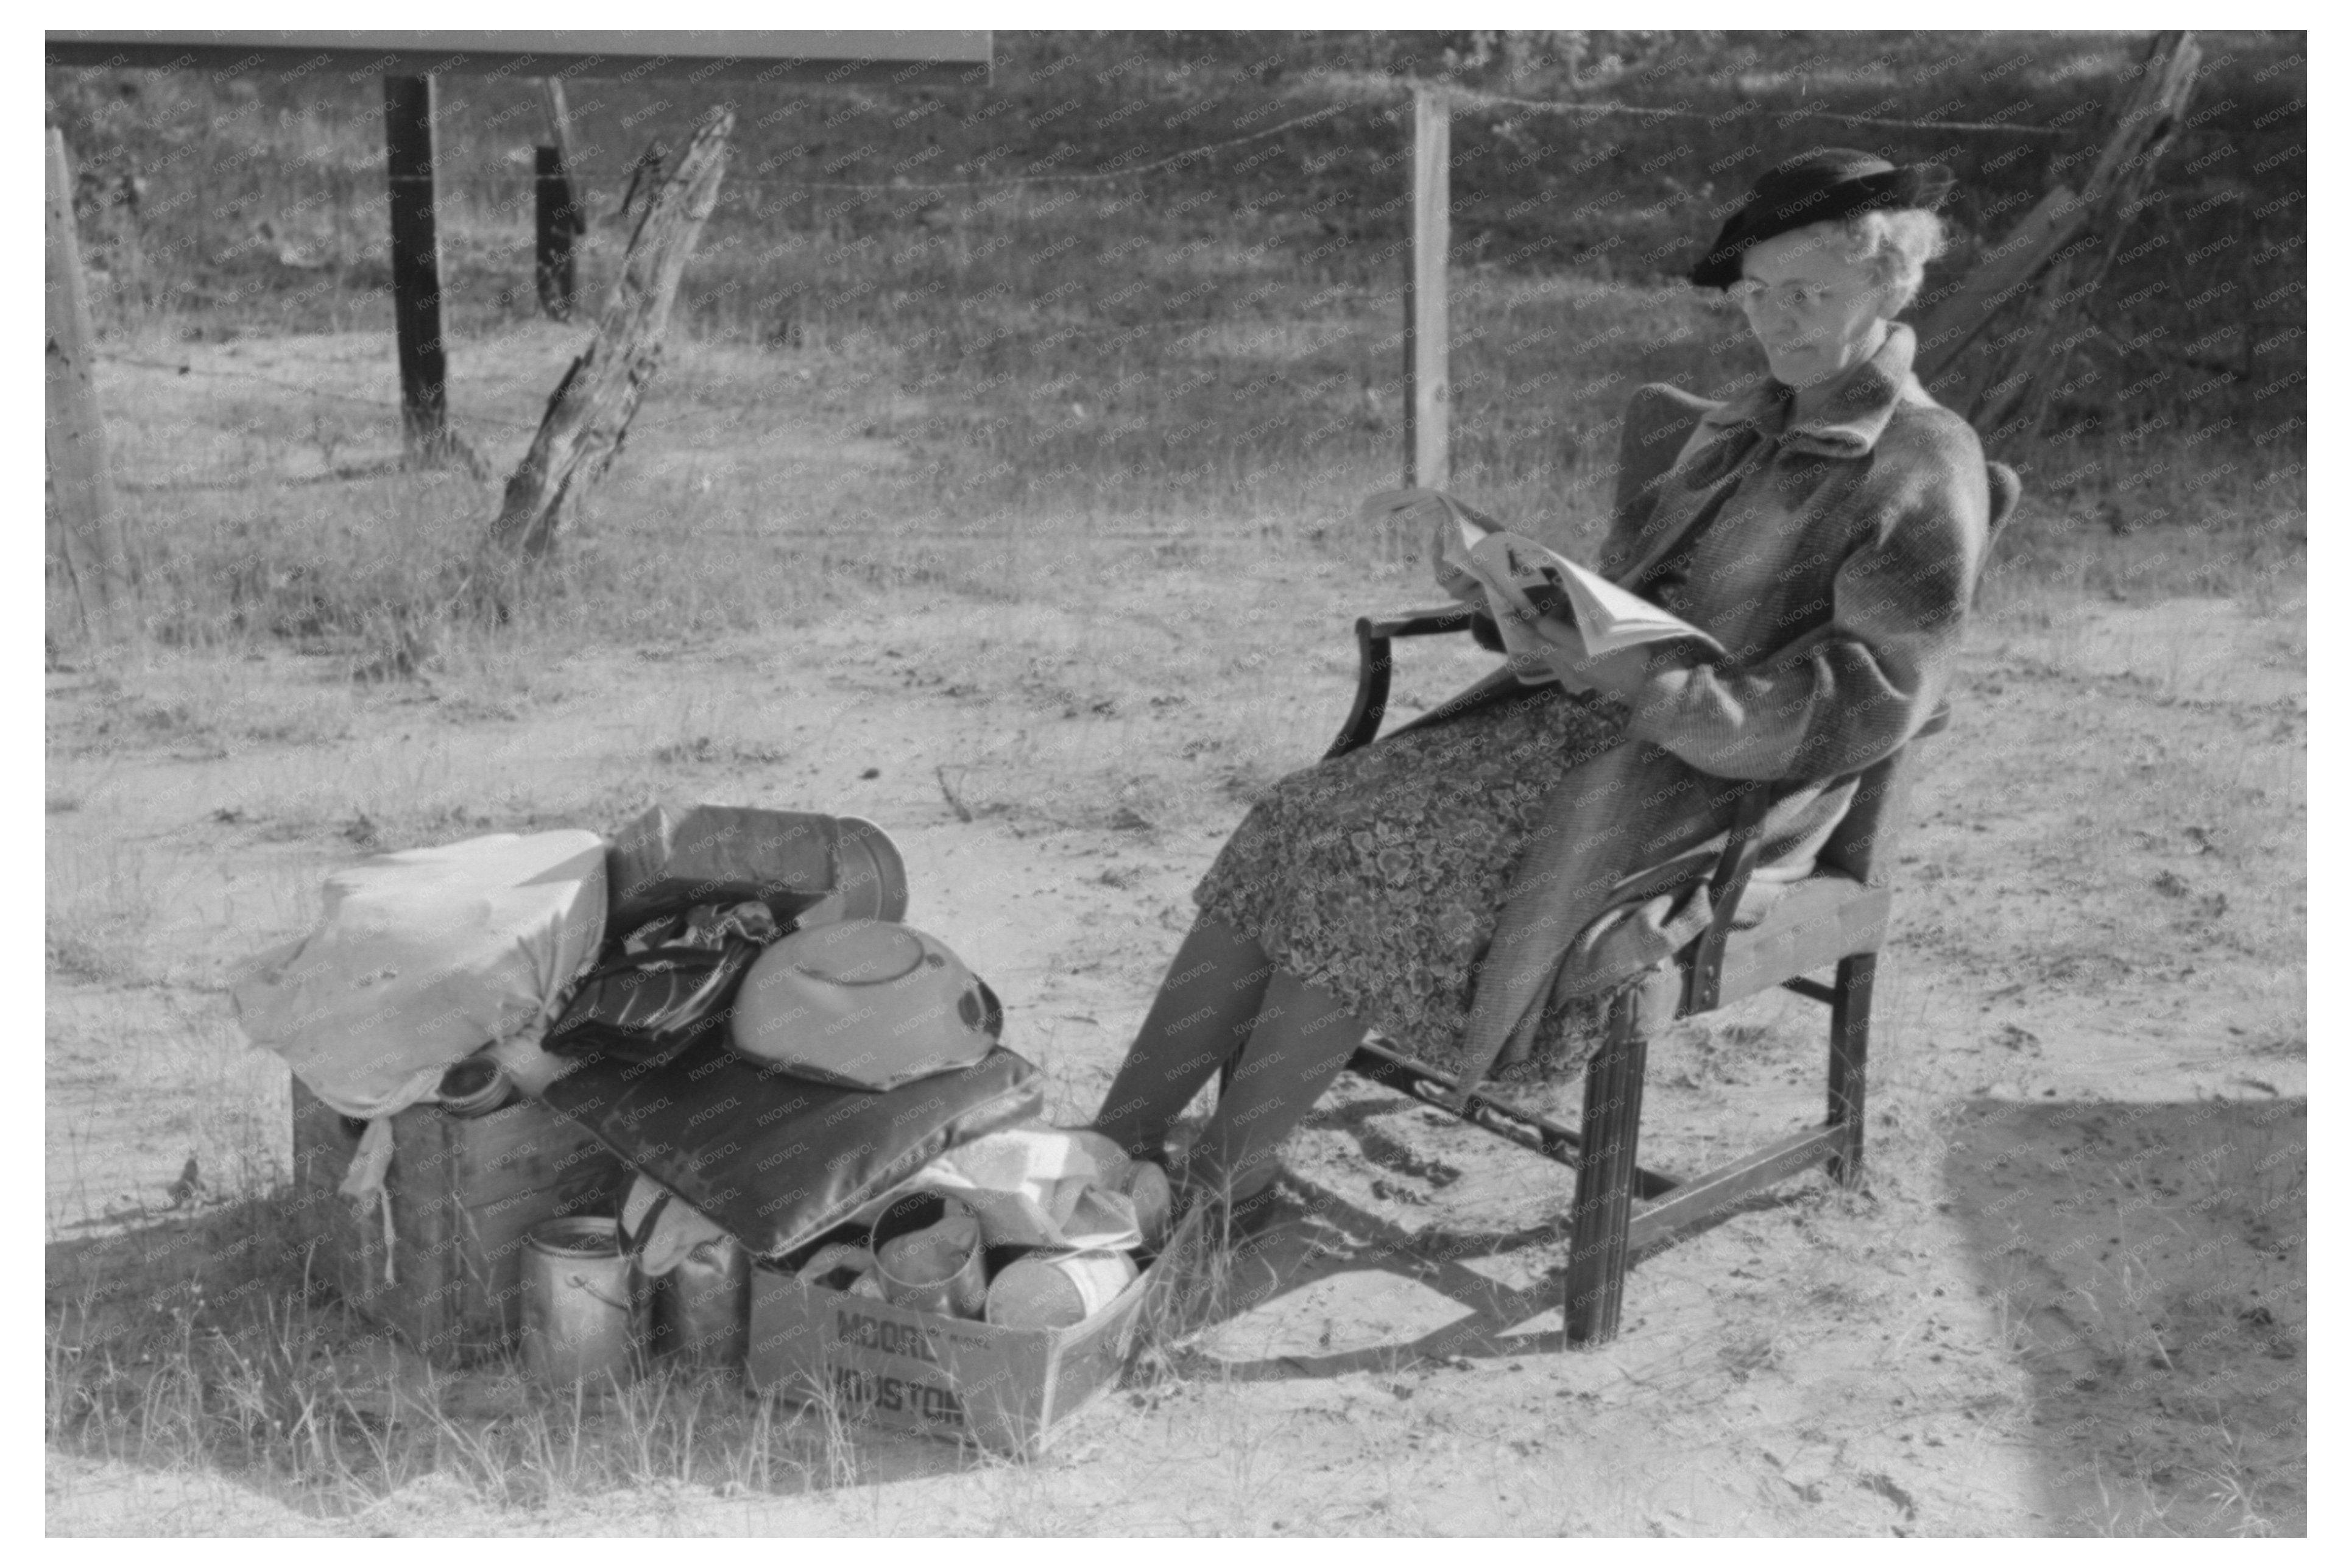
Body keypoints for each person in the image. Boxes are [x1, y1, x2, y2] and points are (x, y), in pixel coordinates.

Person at [1092, 148, 1997, 1232]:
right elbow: (1624, 600)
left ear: (1892, 287)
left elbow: (1864, 701)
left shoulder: (1920, 461)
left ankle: (1223, 1182)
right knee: (1304, 813)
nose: (1775, 322)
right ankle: (1113, 1146)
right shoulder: (1733, 424)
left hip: (1717, 787)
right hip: (1577, 725)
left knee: (1387, 851)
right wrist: (1506, 596)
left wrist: (1647, 681)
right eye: (1756, 295)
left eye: (1809, 295)